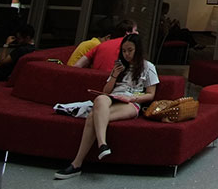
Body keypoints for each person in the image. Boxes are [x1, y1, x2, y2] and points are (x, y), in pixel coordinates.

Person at [55, 33, 158, 178]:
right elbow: (106, 91)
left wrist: (132, 98)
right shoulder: (119, 66)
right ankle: (102, 144)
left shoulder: (148, 67)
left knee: (92, 116)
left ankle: (76, 164)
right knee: (101, 99)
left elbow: (150, 94)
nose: (126, 54)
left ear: (138, 50)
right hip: (112, 97)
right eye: (124, 51)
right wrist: (115, 75)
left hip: (131, 102)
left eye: (130, 50)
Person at [72, 19, 138, 71]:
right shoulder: (129, 47)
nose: (137, 33)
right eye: (135, 30)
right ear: (128, 33)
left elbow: (77, 65)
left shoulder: (100, 45)